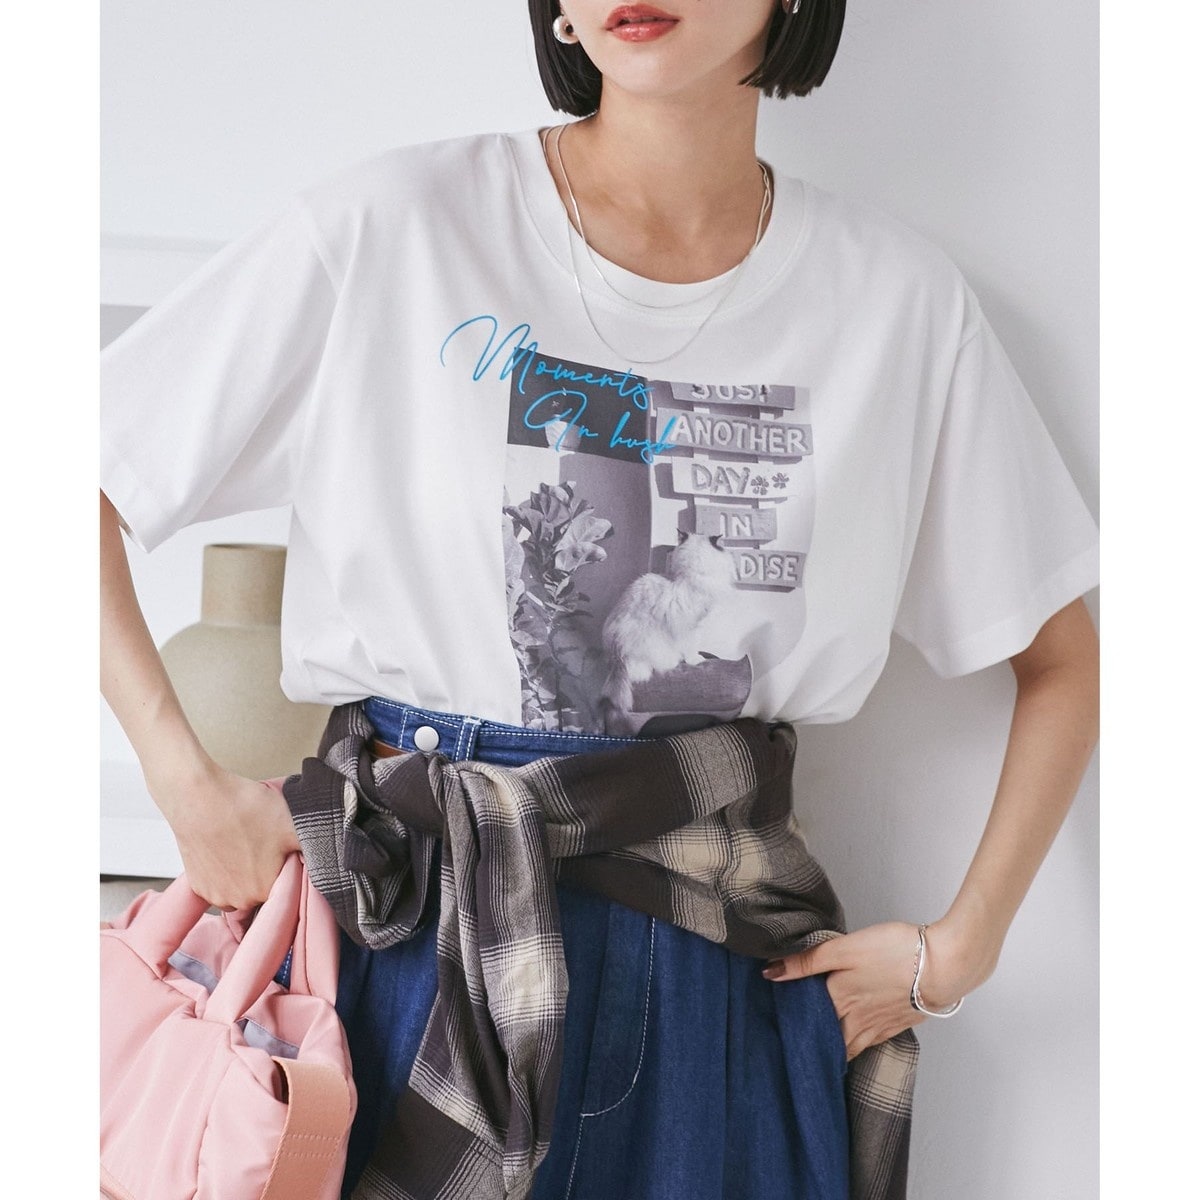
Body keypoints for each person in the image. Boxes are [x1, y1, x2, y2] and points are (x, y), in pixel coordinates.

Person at [99, 3, 1100, 1198]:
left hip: (712, 964)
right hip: (407, 935)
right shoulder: (398, 228)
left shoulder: (896, 303)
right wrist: (185, 782)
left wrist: (959, 949)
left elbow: (1061, 656)